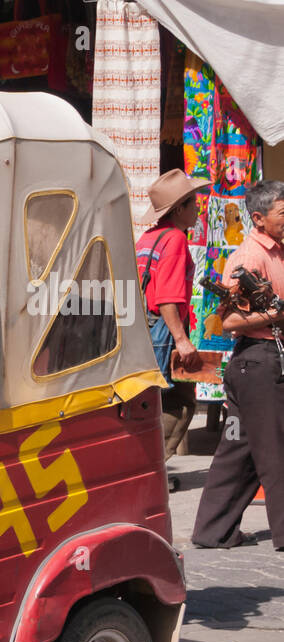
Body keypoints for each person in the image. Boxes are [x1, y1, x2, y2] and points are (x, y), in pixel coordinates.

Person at [191, 180, 284, 549]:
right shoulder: (249, 258)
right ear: (259, 219)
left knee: (237, 452)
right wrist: (277, 318)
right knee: (276, 450)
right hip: (258, 362)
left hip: (259, 363)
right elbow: (226, 321)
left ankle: (213, 531)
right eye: (283, 213)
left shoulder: (276, 252)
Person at [136, 169, 208, 487]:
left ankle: (145, 469)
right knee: (178, 402)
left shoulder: (148, 237)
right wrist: (181, 340)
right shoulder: (176, 239)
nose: (198, 210)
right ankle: (149, 471)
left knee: (150, 401)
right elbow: (168, 297)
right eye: (194, 204)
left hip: (142, 328)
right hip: (164, 332)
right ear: (179, 208)